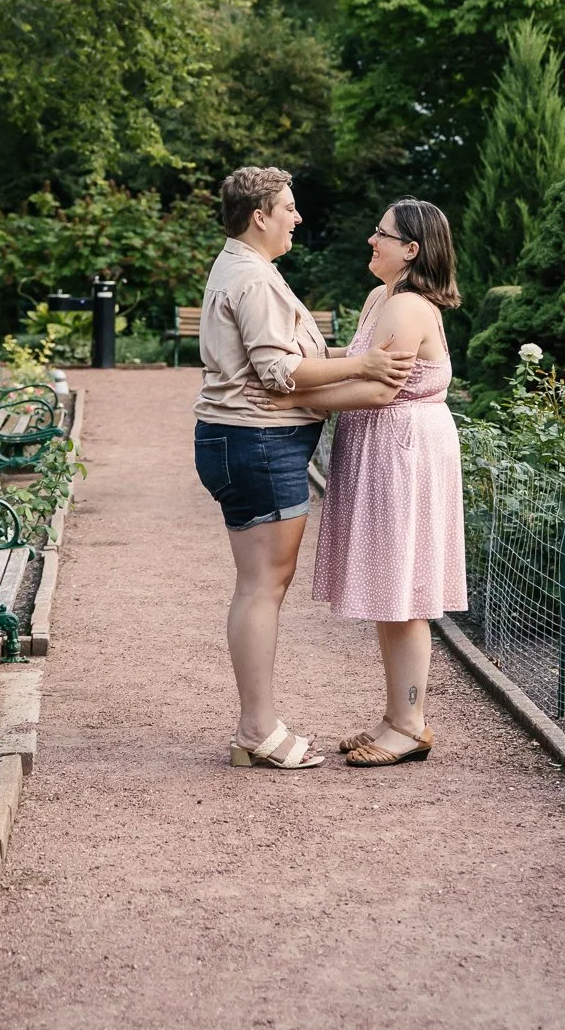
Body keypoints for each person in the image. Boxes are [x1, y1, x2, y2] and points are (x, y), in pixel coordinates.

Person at [194, 165, 414, 771]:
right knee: (263, 586)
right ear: (260, 214)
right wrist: (366, 367)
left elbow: (293, 359)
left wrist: (353, 359)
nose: (297, 217)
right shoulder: (256, 280)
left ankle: (255, 726)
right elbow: (280, 374)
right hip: (258, 444)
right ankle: (257, 730)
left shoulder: (241, 267)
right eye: (288, 207)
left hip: (246, 442)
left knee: (262, 584)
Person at [271, 197, 468, 769]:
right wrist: (290, 371)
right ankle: (395, 716)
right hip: (383, 449)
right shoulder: (381, 298)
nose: (370, 241)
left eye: (380, 234)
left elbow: (380, 391)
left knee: (403, 594)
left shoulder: (407, 307)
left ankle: (409, 726)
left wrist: (293, 396)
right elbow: (353, 367)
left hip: (404, 452)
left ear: (411, 250)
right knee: (391, 592)